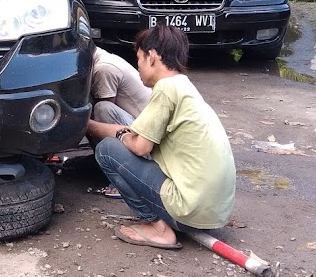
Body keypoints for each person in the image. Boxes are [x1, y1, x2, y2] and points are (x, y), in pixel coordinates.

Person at [85, 25, 236, 250]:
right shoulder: (184, 86)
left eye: (139, 59)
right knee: (118, 141)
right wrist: (87, 125)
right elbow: (130, 132)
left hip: (189, 212)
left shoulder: (166, 88)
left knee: (107, 150)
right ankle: (167, 219)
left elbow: (139, 146)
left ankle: (158, 227)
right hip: (214, 213)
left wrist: (122, 137)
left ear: (152, 57)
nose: (138, 68)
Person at [88, 45, 152, 198]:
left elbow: (103, 115)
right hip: (140, 127)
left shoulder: (103, 68)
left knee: (101, 109)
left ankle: (121, 180)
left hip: (145, 138)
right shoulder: (105, 58)